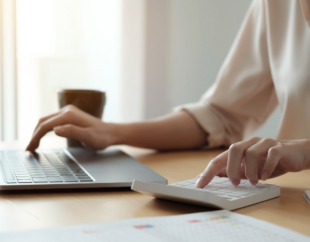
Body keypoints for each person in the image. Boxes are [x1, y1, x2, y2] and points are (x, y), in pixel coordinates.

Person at [27, 0, 310, 188]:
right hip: (290, 201)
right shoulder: (277, 5)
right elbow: (220, 115)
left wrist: (305, 151)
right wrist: (111, 132)